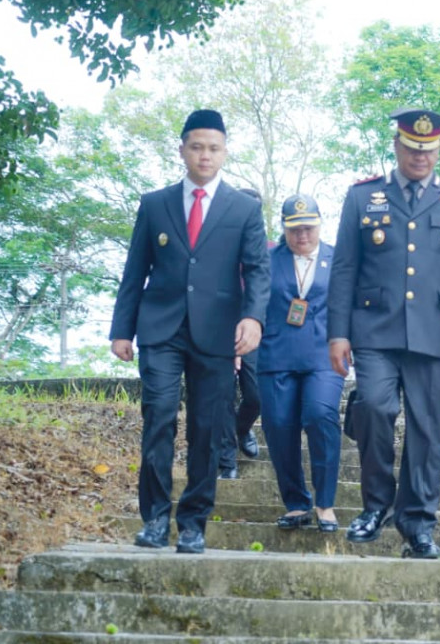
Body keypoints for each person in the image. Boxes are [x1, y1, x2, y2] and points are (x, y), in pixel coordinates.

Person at [327, 108, 440, 559]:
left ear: (438, 150)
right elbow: (344, 268)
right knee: (374, 409)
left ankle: (417, 522)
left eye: (430, 150)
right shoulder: (363, 197)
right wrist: (337, 334)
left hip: (436, 333)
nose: (422, 157)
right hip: (374, 328)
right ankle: (376, 506)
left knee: (427, 430)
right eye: (414, 148)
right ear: (397, 146)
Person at [109, 109, 269, 554]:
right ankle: (156, 518)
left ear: (224, 152)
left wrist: (253, 318)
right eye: (196, 146)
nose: (205, 155)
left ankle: (194, 521)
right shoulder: (155, 203)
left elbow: (258, 272)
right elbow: (134, 270)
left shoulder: (244, 208)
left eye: (213, 148)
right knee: (158, 417)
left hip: (218, 334)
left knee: (207, 426)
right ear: (182, 149)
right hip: (160, 328)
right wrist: (122, 329)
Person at [257, 194, 344, 532]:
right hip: (276, 354)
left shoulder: (338, 260)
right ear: (283, 229)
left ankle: (325, 503)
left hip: (324, 355)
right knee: (278, 425)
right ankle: (296, 503)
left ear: (320, 225)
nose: (302, 236)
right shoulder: (267, 259)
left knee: (320, 414)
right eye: (294, 230)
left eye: (308, 228)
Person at [218, 186, 267, 480]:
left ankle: (242, 429)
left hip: (254, 333)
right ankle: (226, 462)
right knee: (221, 394)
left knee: (256, 396)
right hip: (215, 331)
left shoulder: (270, 250)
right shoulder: (216, 246)